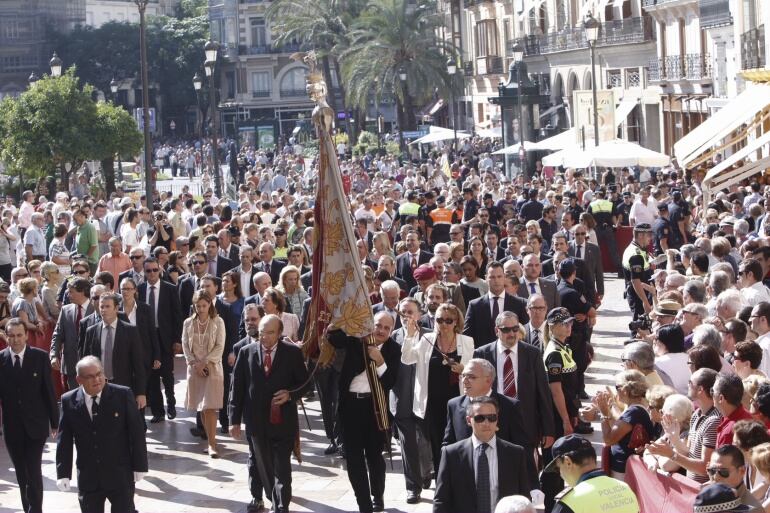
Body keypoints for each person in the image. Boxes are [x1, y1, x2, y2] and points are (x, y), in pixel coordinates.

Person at [229, 314, 310, 513]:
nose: (264, 336)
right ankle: (259, 497)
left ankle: (282, 506)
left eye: (270, 333)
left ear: (280, 333)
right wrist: (234, 420)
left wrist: (290, 395)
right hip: (256, 421)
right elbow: (236, 388)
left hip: (283, 420)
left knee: (282, 465)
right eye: (262, 332)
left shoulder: (292, 353)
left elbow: (306, 383)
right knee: (259, 463)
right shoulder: (246, 352)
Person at [328, 312, 401, 513]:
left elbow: (390, 382)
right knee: (353, 458)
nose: (381, 331)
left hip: (375, 409)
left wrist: (379, 361)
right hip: (350, 407)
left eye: (387, 328)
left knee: (375, 457)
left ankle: (377, 495)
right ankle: (364, 504)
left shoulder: (394, 350)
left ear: (392, 331)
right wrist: (341, 317)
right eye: (378, 325)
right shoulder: (357, 340)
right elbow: (334, 338)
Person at [55, 356, 148, 513]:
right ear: (79, 379)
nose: (96, 379)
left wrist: (140, 466)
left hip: (119, 474)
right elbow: (63, 440)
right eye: (90, 376)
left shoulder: (122, 395)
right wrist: (63, 473)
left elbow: (137, 433)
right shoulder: (68, 400)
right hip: (89, 477)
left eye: (99, 374)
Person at [400, 303, 474, 484]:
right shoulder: (427, 340)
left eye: (449, 320)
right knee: (437, 444)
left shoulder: (466, 341)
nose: (444, 324)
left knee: (457, 443)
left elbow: (472, 370)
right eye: (440, 320)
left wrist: (463, 368)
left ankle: (458, 481)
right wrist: (410, 336)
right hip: (432, 403)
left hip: (457, 402)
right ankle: (442, 483)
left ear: (456, 322)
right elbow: (407, 358)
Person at [474, 310, 556, 455]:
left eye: (515, 329)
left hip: (525, 423)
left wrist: (548, 429)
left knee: (526, 471)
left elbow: (543, 393)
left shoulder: (533, 354)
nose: (511, 334)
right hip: (493, 422)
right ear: (496, 330)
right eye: (506, 330)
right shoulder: (482, 353)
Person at [433, 396, 532, 513]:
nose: (486, 423)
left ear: (497, 419)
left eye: (492, 418)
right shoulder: (451, 454)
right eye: (480, 418)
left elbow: (524, 499)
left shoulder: (516, 454)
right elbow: (441, 500)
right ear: (469, 420)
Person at [0, 319, 58, 513]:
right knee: (21, 473)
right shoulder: (1, 360)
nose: (16, 340)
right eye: (11, 336)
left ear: (26, 335)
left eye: (19, 335)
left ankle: (36, 510)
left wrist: (54, 422)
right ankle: (28, 509)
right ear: (6, 337)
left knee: (33, 470)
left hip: (36, 426)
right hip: (12, 427)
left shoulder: (39, 357)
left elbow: (48, 391)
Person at [647, 367, 722, 483]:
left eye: (690, 382)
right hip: (692, 488)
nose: (688, 385)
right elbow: (689, 453)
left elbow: (705, 468)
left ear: (700, 389)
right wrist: (675, 440)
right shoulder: (696, 414)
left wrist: (672, 455)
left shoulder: (713, 421)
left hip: (702, 491)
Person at [543, 434, 639, 513]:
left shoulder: (569, 503)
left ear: (568, 462)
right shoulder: (625, 488)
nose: (560, 474)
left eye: (558, 468)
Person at [139, 257, 183, 423]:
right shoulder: (140, 289)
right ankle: (158, 411)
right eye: (148, 270)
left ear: (160, 270)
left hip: (164, 337)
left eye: (155, 270)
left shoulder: (170, 289)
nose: (152, 273)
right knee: (151, 376)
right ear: (144, 272)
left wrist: (177, 339)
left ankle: (171, 404)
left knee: (167, 374)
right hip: (147, 339)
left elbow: (177, 316)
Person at [182, 289, 226, 457]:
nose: (201, 309)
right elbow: (185, 346)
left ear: (210, 305)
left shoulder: (218, 321)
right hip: (194, 370)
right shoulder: (188, 323)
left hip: (212, 368)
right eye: (198, 306)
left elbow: (220, 346)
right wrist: (195, 364)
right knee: (201, 407)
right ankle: (209, 441)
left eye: (204, 305)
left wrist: (205, 363)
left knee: (210, 407)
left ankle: (212, 444)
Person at [594, 370, 654, 478]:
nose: (616, 391)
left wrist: (604, 414)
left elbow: (609, 439)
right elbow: (616, 427)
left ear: (625, 390)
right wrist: (609, 409)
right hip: (626, 466)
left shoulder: (634, 412)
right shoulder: (635, 408)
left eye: (617, 387)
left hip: (624, 470)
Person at [464, 262, 529, 348]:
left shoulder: (520, 304)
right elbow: (467, 336)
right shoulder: (475, 305)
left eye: (499, 276)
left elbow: (526, 334)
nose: (496, 280)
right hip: (483, 356)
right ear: (486, 278)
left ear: (504, 277)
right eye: (492, 277)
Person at [50, 278, 93, 391]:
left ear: (82, 291)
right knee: (74, 400)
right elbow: (58, 334)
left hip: (91, 365)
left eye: (71, 291)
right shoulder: (65, 310)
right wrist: (54, 355)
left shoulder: (96, 309)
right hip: (71, 365)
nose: (68, 294)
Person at [706, 445, 763, 512]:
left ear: (741, 471)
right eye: (712, 470)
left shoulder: (752, 510)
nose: (716, 477)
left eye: (724, 472)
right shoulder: (706, 499)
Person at [622, 224, 653, 322]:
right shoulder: (636, 255)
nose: (650, 238)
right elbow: (636, 280)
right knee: (640, 327)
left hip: (639, 294)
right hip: (639, 297)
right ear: (640, 235)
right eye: (648, 235)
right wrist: (645, 302)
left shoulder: (638, 249)